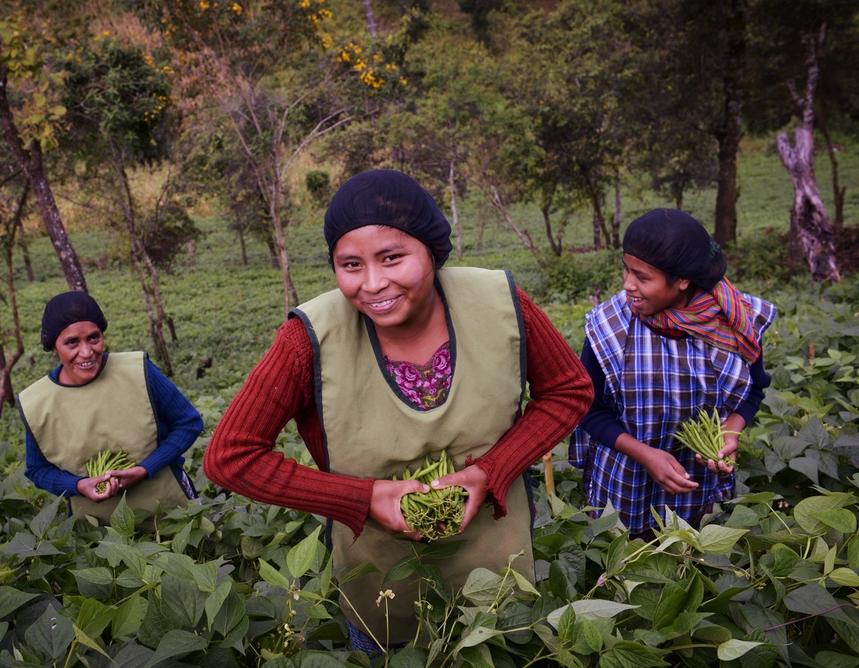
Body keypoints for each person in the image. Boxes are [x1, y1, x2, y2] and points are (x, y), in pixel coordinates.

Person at [203, 169, 593, 651]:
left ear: (431, 249)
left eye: (392, 257)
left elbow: (569, 391)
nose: (373, 283)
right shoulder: (308, 339)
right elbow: (230, 456)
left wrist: (490, 472)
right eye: (351, 264)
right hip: (381, 581)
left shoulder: (501, 303)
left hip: (498, 563)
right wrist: (363, 498)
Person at [570, 208, 776, 540]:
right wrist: (645, 454)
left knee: (686, 557)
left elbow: (755, 390)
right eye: (626, 270)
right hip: (624, 483)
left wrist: (731, 430)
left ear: (682, 280)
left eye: (642, 277)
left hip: (695, 483)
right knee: (626, 563)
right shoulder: (611, 327)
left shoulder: (732, 322)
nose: (627, 285)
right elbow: (589, 409)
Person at [18, 292, 202, 531]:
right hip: (97, 531)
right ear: (53, 345)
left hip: (171, 514)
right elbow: (37, 469)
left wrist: (144, 469)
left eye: (94, 338)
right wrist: (79, 485)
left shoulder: (137, 371)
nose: (86, 352)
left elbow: (188, 423)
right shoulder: (37, 402)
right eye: (72, 342)